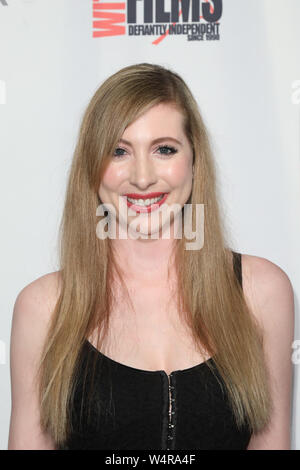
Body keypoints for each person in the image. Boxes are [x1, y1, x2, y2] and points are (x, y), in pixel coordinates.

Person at [8, 63, 294, 450]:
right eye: (119, 151)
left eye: (164, 149)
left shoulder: (261, 293)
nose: (142, 177)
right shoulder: (43, 308)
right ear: (92, 168)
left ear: (194, 160)